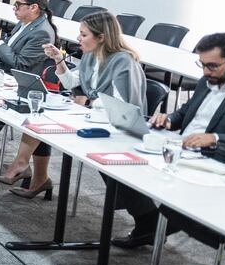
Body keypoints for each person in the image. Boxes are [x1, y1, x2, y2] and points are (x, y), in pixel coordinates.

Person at [110, 32, 225, 247]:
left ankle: (159, 222)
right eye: (202, 65)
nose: (206, 72)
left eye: (213, 66)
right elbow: (186, 112)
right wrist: (168, 119)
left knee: (165, 194)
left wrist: (213, 138)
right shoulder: (206, 81)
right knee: (114, 162)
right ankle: (149, 221)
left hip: (213, 159)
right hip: (180, 148)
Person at [12, 11, 148, 201]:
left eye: (84, 35)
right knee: (41, 124)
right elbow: (69, 83)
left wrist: (89, 103)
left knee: (51, 126)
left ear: (101, 37)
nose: (78, 38)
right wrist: (58, 59)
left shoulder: (123, 61)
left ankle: (141, 210)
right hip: (94, 119)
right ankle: (38, 178)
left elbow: (122, 105)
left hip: (117, 129)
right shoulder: (92, 55)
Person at [0, 0, 59, 185]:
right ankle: (36, 176)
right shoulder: (25, 23)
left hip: (24, 87)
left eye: (18, 5)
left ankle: (24, 167)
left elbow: (19, 64)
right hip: (5, 78)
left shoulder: (42, 31)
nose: (14, 9)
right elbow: (10, 48)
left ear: (33, 8)